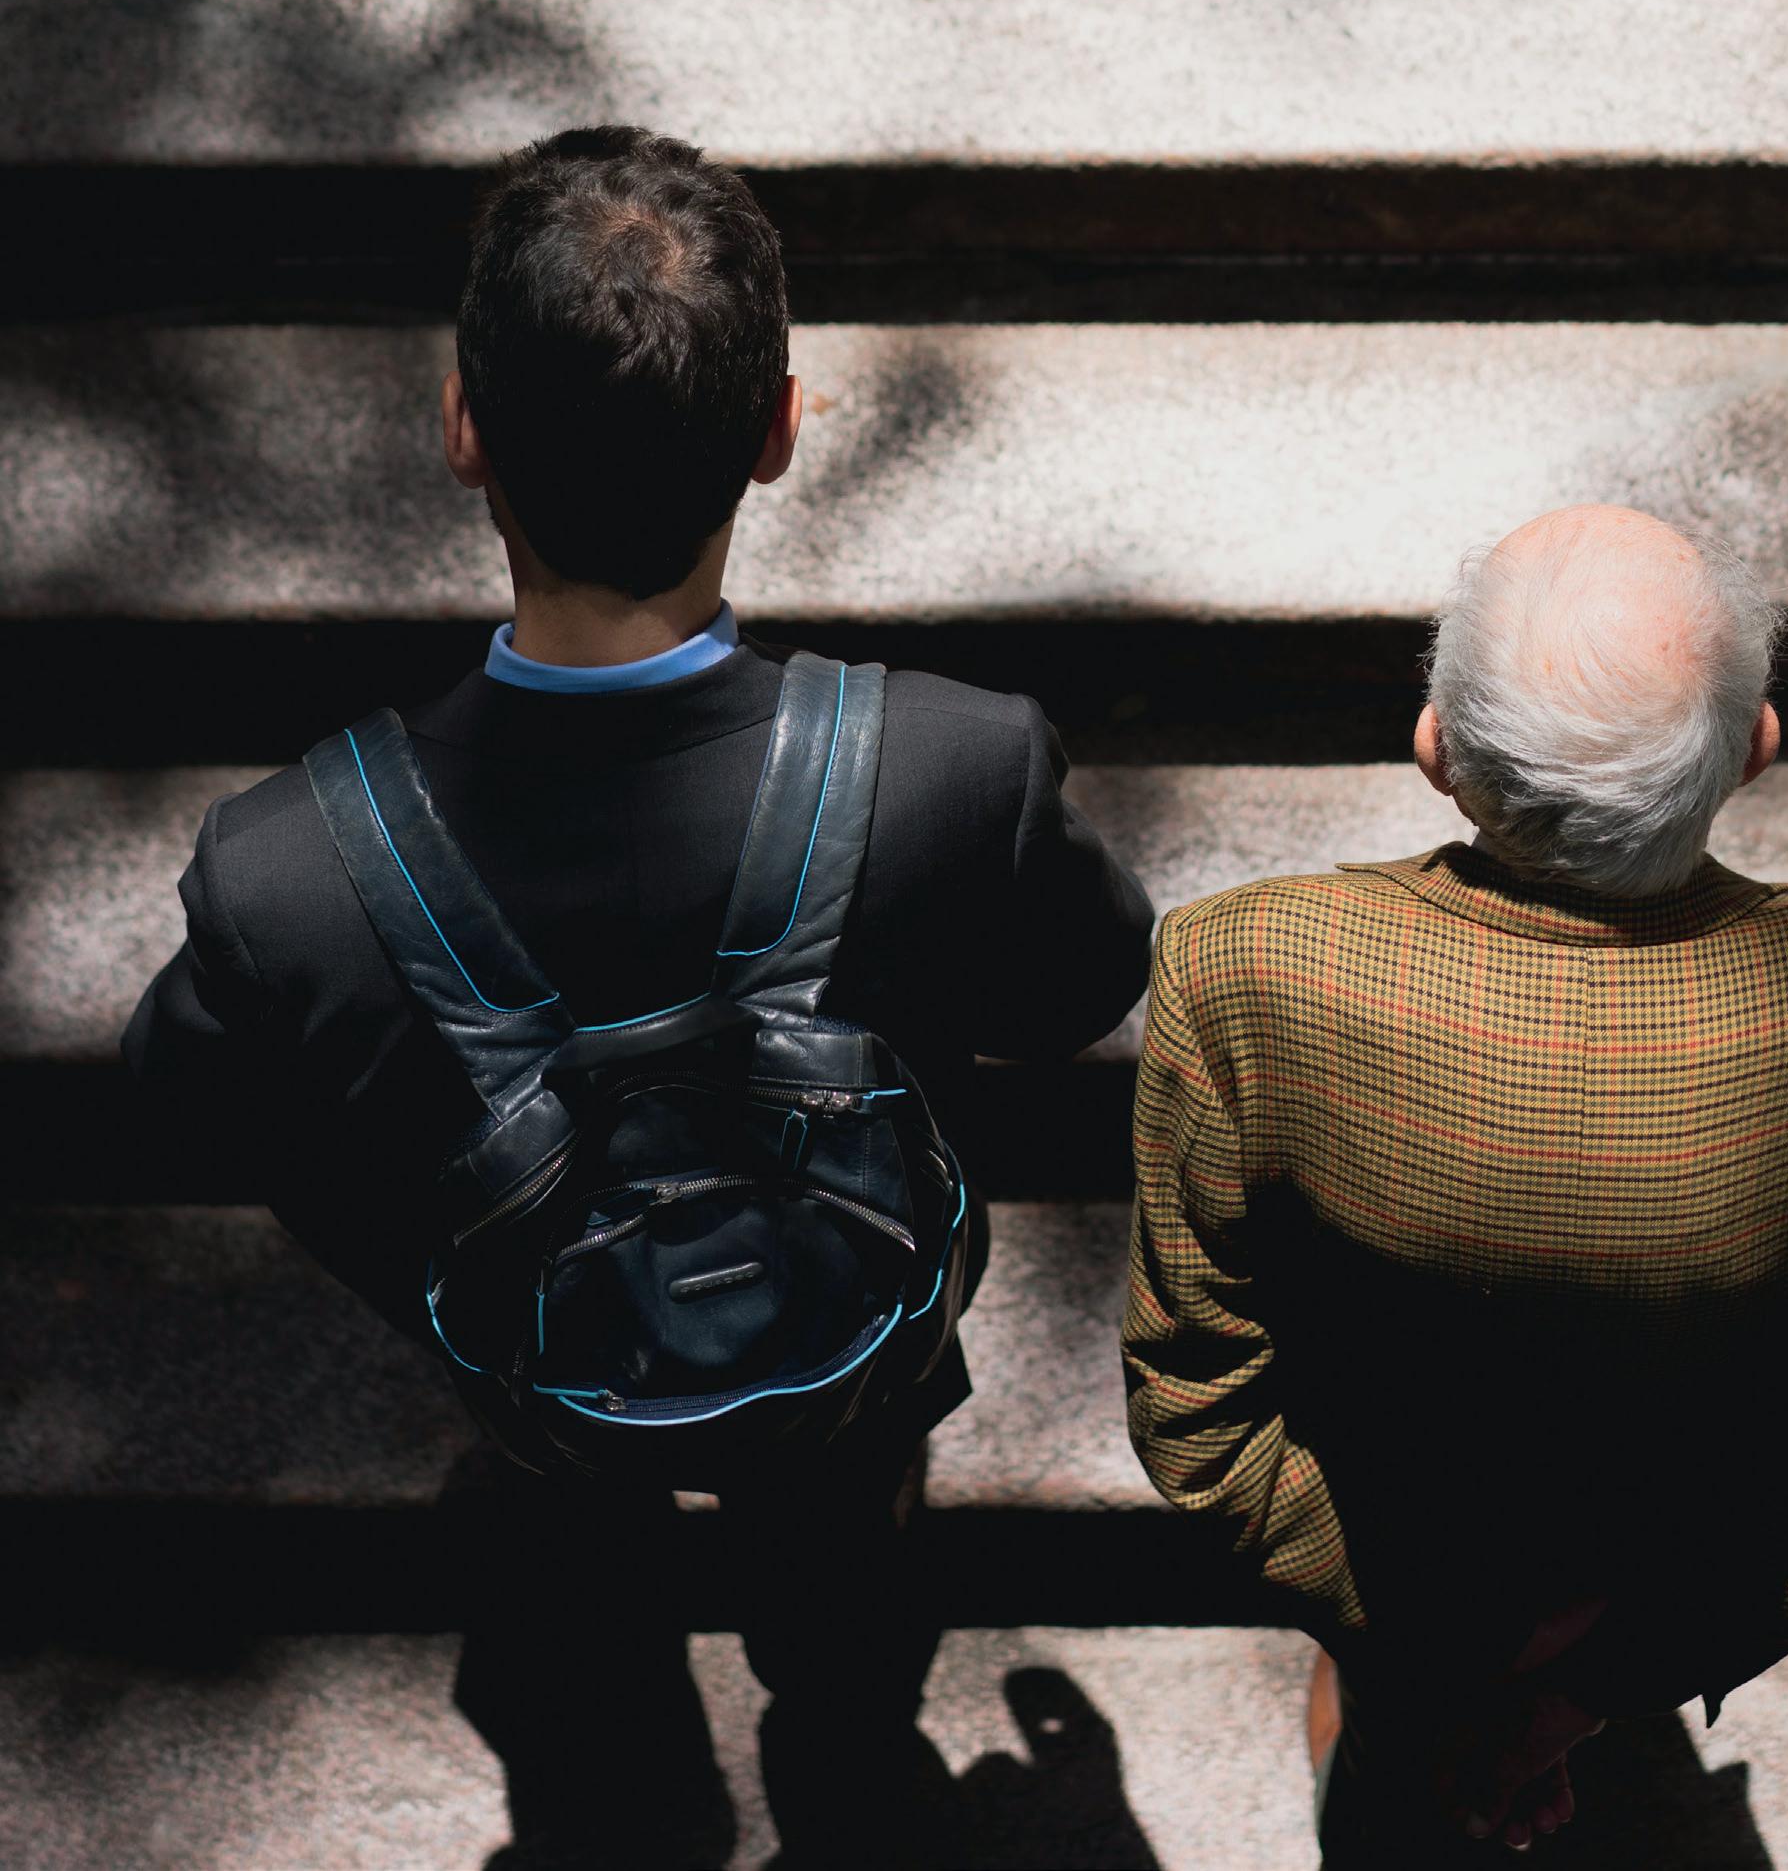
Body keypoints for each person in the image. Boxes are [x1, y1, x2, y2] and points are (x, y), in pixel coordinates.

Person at [125, 124, 1153, 1870]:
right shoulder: (952, 768)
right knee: (844, 1556)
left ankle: (617, 1738)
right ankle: (839, 1722)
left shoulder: (287, 870)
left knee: (570, 1525)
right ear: (777, 432)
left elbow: (189, 1105)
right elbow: (1082, 986)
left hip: (547, 1360)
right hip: (851, 1348)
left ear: (463, 430)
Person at [1122, 504, 1788, 1862]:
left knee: (1390, 1795)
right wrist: (1590, 1687)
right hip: (1688, 1533)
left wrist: (1430, 1648)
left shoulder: (1241, 970)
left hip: (1392, 1528)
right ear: (1757, 746)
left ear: (1434, 750)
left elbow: (1197, 1411)